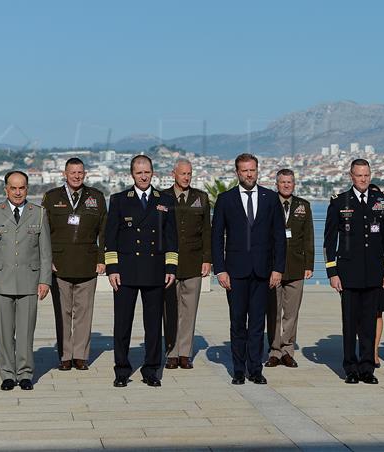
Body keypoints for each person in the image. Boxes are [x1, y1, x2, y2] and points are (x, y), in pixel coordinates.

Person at [211, 153, 286, 385]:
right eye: (244, 170)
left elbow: (279, 238)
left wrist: (277, 269)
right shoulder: (225, 199)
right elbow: (216, 238)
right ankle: (238, 370)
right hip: (234, 272)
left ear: (258, 170)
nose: (249, 174)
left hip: (263, 272)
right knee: (237, 323)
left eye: (252, 169)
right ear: (237, 173)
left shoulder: (270, 198)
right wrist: (220, 270)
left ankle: (255, 369)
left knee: (257, 324)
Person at [104, 155, 177, 387]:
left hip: (155, 270)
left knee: (154, 325)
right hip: (125, 272)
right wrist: (112, 269)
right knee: (122, 324)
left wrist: (171, 267)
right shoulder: (118, 200)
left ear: (153, 172)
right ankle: (122, 370)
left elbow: (171, 237)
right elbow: (110, 238)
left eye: (147, 172)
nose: (143, 176)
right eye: (139, 173)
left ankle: (151, 369)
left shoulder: (164, 200)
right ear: (131, 174)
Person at [324, 159, 384, 384]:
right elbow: (329, 240)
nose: (363, 179)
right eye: (359, 175)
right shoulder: (339, 202)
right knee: (350, 322)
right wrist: (332, 272)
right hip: (348, 273)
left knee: (369, 322)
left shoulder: (381, 201)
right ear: (351, 176)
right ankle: (351, 368)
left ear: (370, 175)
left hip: (374, 272)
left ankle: (367, 368)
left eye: (366, 175)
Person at [0, 171, 52, 391]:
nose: (18, 192)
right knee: (4, 332)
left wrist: (45, 280)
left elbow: (45, 252)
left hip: (30, 281)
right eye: (13, 188)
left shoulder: (38, 213)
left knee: (26, 331)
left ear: (27, 189)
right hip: (1, 281)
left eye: (22, 188)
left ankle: (26, 373)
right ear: (6, 189)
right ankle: (8, 374)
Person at [42, 158, 107, 372]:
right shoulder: (51, 198)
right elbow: (43, 233)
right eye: (73, 172)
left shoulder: (96, 197)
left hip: (88, 263)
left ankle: (80, 355)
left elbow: (103, 232)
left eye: (80, 172)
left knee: (84, 312)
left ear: (85, 174)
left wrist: (101, 259)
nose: (77, 176)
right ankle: (64, 355)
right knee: (62, 313)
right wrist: (46, 259)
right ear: (65, 173)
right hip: (58, 264)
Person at [162, 158, 211, 371]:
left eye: (189, 174)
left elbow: (207, 231)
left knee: (189, 311)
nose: (186, 177)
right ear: (174, 173)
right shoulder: (162, 197)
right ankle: (171, 352)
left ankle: (185, 353)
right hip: (168, 264)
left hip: (193, 262)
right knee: (170, 310)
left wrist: (207, 259)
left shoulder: (201, 198)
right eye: (183, 174)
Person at [265, 168, 314, 369]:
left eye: (290, 182)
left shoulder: (303, 205)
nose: (286, 185)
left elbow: (309, 237)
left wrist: (309, 265)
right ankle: (274, 351)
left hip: (296, 266)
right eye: (283, 182)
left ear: (294, 184)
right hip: (272, 267)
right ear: (276, 184)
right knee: (273, 312)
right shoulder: (268, 203)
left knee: (291, 313)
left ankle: (287, 350)